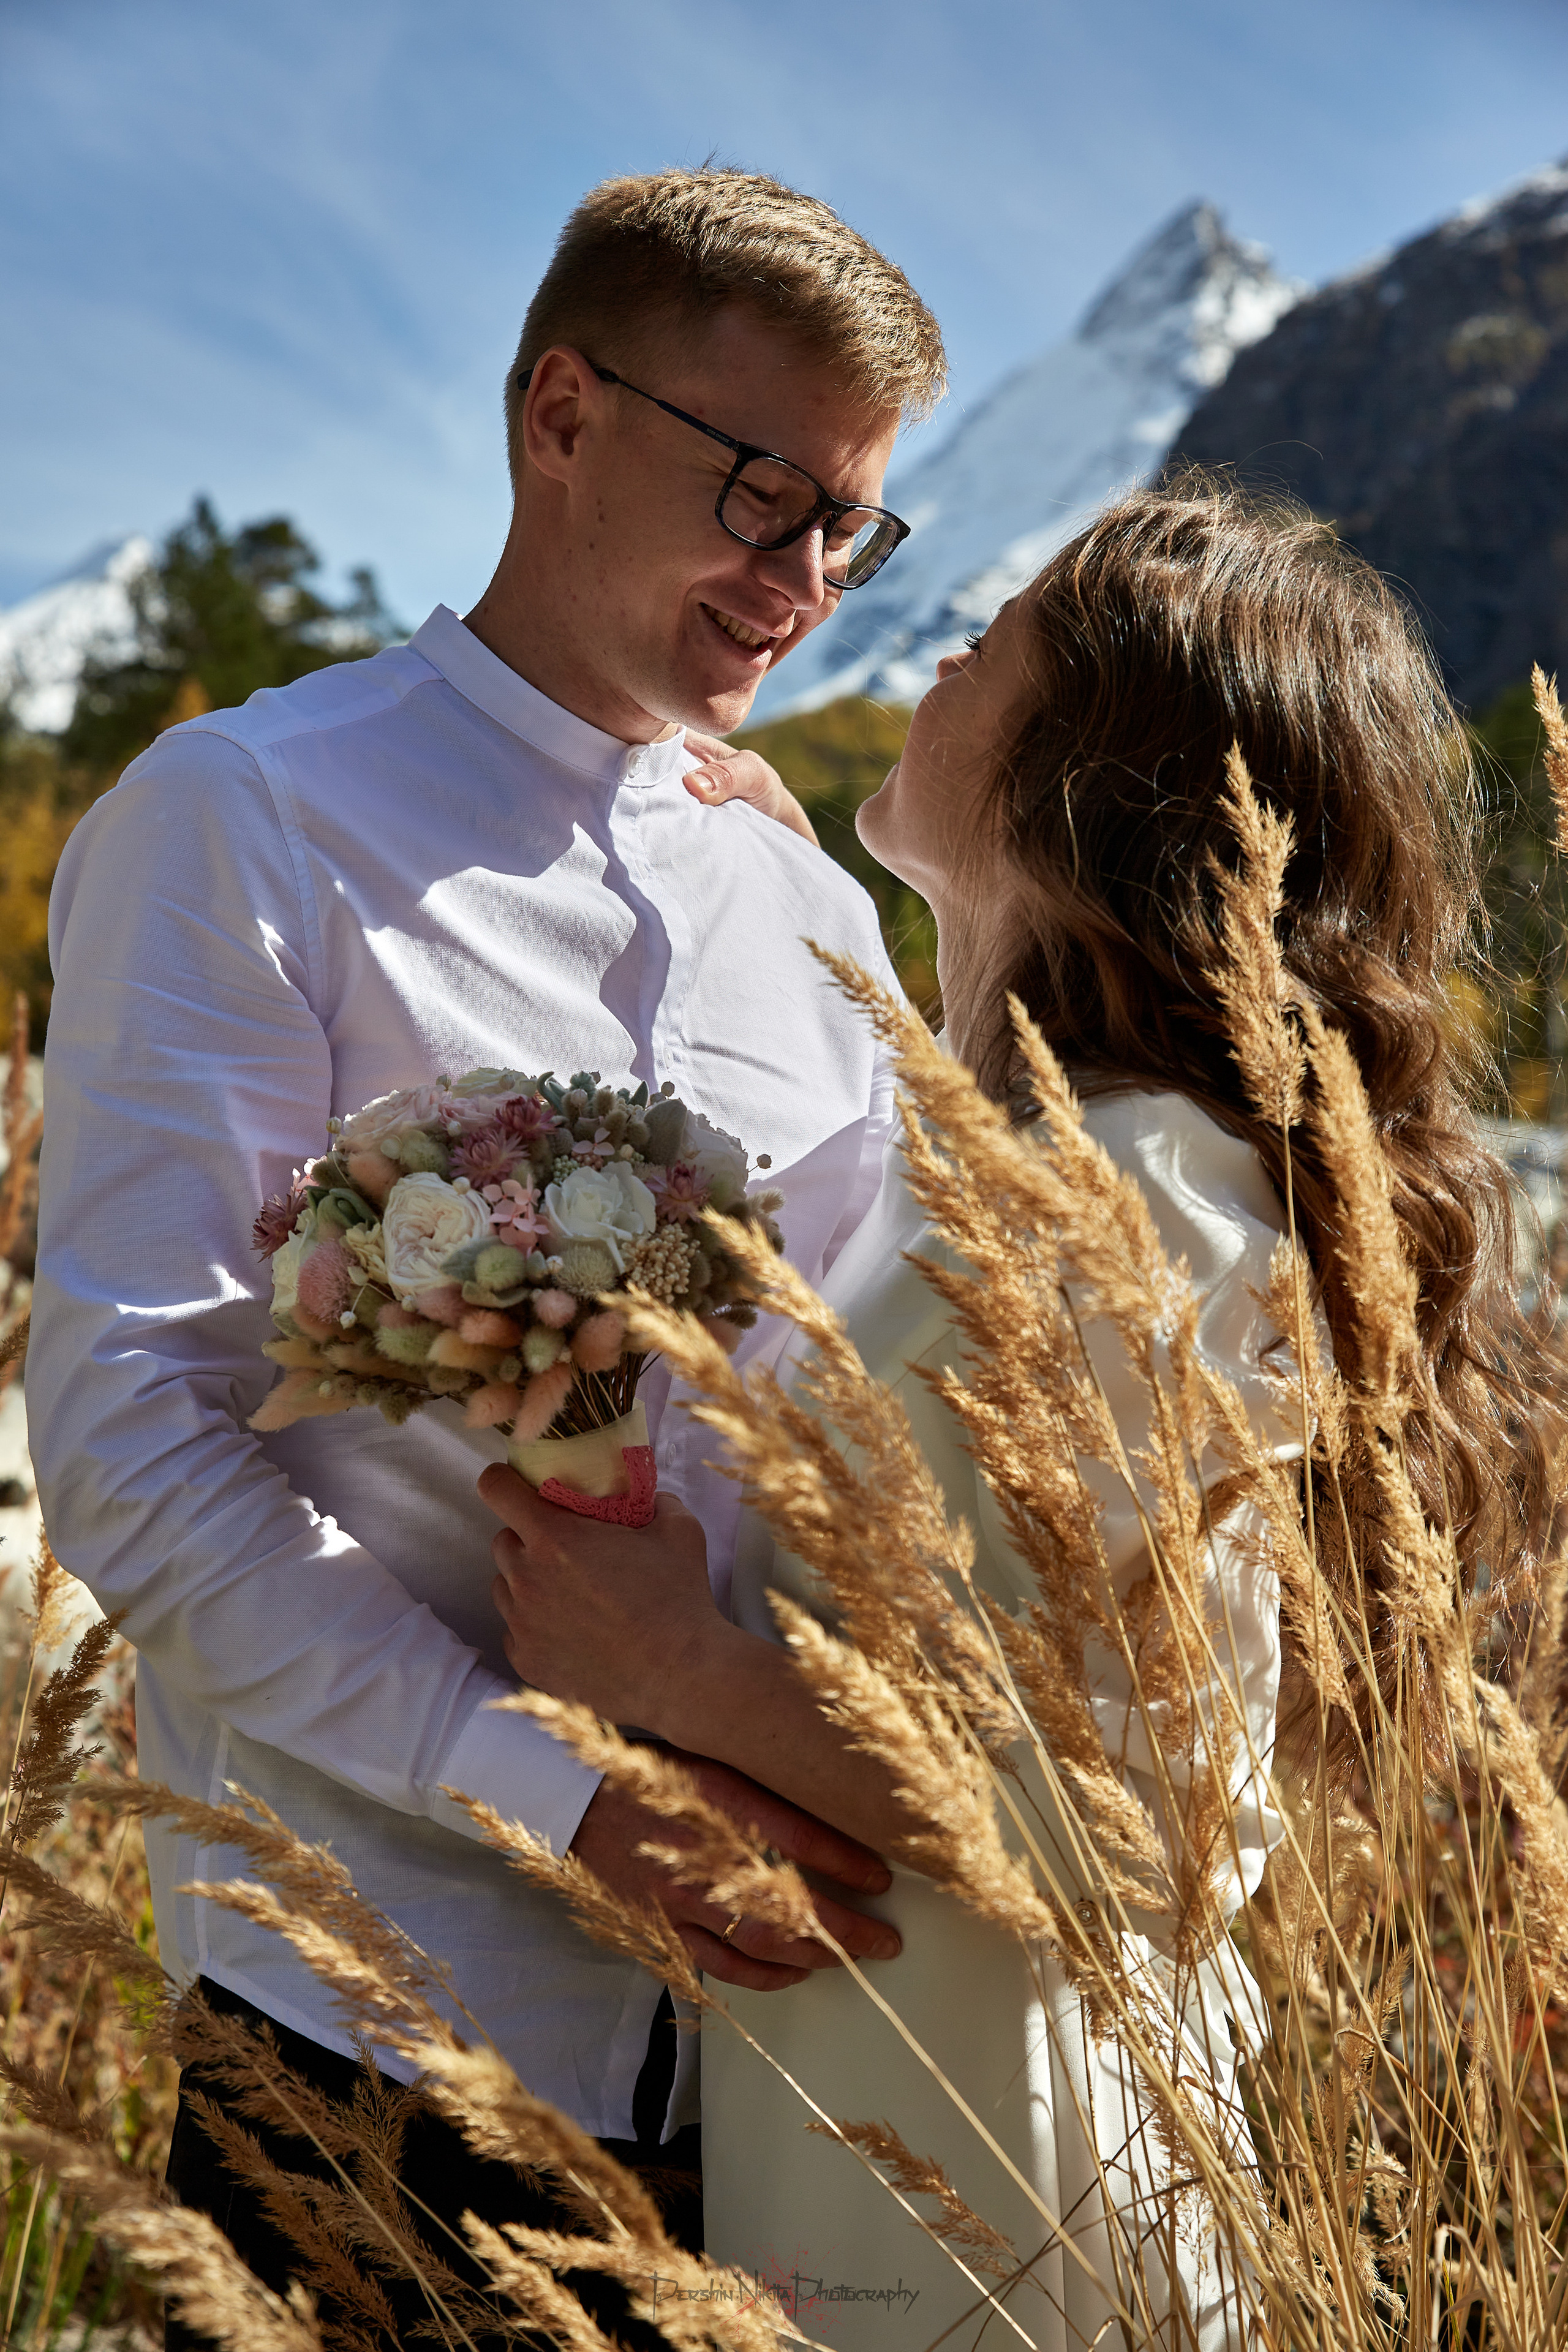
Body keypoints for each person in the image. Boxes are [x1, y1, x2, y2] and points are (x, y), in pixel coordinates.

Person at [481, 477, 1566, 2345]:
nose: (938, 651)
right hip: (928, 2141)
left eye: (996, 638)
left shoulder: (1146, 1203)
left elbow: (1174, 1828)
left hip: (1012, 2207)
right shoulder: (1053, 1166)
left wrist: (680, 1672)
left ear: (1095, 777)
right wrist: (813, 881)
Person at [26, 166, 948, 2343]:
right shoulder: (249, 814)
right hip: (376, 2037)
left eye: (855, 526)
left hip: (802, 2073)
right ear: (561, 413)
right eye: (763, 492)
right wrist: (565, 1806)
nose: (807, 578)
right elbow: (133, 1438)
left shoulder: (814, 909)